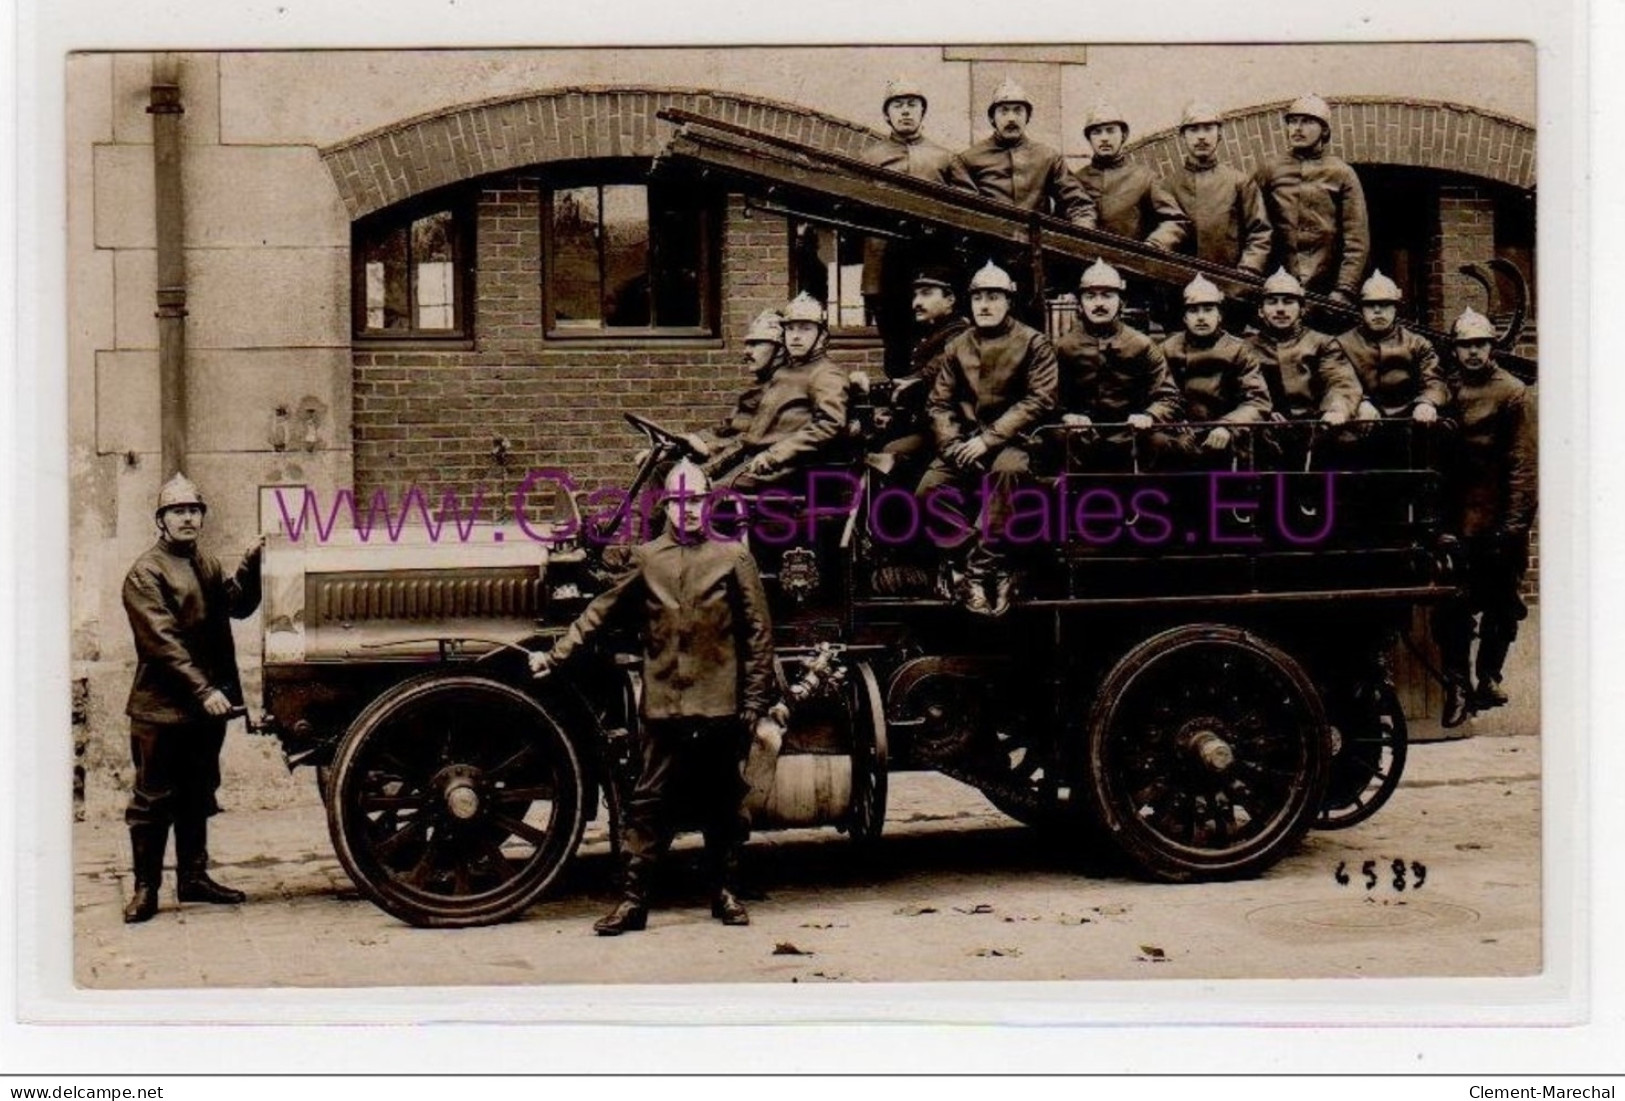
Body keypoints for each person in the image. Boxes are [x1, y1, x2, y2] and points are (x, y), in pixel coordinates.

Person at [531, 460, 779, 933]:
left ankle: (725, 894)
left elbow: (758, 636)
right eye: (679, 501)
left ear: (709, 502)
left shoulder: (733, 558)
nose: (688, 511)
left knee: (724, 803)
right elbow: (598, 613)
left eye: (697, 501)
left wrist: (752, 701)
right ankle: (634, 902)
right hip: (665, 706)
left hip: (720, 705)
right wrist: (554, 656)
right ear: (666, 505)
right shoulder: (646, 559)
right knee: (648, 805)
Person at [119, 473, 262, 924]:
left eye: (193, 511)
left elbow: (237, 606)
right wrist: (204, 690)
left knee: (198, 792)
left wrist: (252, 565)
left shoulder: (207, 563)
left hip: (205, 707)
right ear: (161, 521)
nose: (187, 518)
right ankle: (146, 889)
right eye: (177, 511)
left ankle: (194, 877)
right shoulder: (146, 572)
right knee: (152, 800)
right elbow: (162, 642)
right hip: (160, 708)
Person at [917, 260, 1058, 616]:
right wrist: (952, 446)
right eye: (978, 297)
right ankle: (979, 562)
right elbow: (938, 403)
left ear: (1009, 301)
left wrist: (990, 440)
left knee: (1006, 475)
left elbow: (1040, 400)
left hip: (1018, 441)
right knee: (929, 489)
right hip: (966, 441)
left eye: (994, 297)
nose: (985, 305)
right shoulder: (958, 346)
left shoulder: (1034, 343)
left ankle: (978, 573)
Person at [1431, 308, 1538, 727]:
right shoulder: (1445, 390)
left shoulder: (1512, 393)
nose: (1472, 352)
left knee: (1502, 606)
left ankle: (1489, 676)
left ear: (1491, 347)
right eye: (1465, 345)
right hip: (1457, 519)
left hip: (1497, 520)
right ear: (1455, 349)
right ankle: (1457, 684)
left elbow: (1523, 465)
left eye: (1479, 345)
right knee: (1452, 607)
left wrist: (1512, 527)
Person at [859, 78, 974, 377]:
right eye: (898, 106)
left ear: (922, 112)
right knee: (896, 338)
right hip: (887, 261)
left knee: (940, 334)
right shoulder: (870, 157)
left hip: (934, 257)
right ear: (887, 114)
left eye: (912, 105)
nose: (905, 112)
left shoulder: (944, 157)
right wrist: (870, 283)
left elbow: (970, 203)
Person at [702, 294, 849, 492]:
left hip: (789, 467)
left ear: (821, 335)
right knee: (688, 484)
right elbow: (752, 425)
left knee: (709, 498)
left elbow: (829, 424)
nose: (796, 336)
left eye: (805, 329)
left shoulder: (825, 373)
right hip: (755, 458)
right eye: (790, 329)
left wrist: (775, 454)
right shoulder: (784, 371)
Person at [1052, 259, 1185, 471]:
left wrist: (1149, 416)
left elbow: (1168, 396)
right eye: (1090, 296)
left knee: (1160, 443)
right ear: (1080, 303)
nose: (1099, 303)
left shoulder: (1142, 345)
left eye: (1107, 295)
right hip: (1081, 437)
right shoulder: (1064, 347)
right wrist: (1065, 415)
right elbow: (1047, 396)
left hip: (1131, 435)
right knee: (1058, 440)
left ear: (1121, 302)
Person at [1255, 94, 1370, 305]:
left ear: (1324, 129)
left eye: (1307, 121)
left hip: (1327, 291)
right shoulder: (1270, 170)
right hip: (1278, 288)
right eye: (1293, 121)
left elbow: (1356, 239)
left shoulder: (1342, 173)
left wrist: (1344, 289)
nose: (1297, 128)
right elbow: (1255, 228)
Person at [1246, 267, 1362, 468]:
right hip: (1265, 433)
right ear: (1260, 310)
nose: (1280, 309)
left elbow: (1340, 381)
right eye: (1272, 302)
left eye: (1289, 301)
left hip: (1313, 431)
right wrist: (1263, 412)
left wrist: (1336, 410)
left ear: (1302, 309)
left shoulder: (1322, 343)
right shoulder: (1245, 348)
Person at [866, 265, 974, 480]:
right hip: (925, 424)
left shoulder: (961, 334)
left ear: (950, 299)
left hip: (954, 431)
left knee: (890, 454)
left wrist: (916, 379)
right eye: (915, 295)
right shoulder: (931, 334)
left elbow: (943, 363)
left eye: (926, 294)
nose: (916, 303)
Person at [1159, 275, 1272, 463]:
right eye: (1194, 310)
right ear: (1185, 317)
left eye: (1208, 309)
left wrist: (1228, 427)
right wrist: (1173, 424)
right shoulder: (1167, 348)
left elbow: (1257, 401)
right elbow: (1159, 394)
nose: (1201, 317)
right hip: (1181, 435)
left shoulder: (1240, 350)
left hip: (1228, 436)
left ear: (1219, 315)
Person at [955, 78, 1096, 227]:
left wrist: (1081, 233)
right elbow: (964, 211)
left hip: (1037, 246)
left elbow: (1079, 205)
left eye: (1018, 111)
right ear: (992, 118)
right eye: (1004, 111)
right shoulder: (969, 159)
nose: (1011, 118)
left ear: (1027, 116)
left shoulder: (1048, 157)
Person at [1163, 101, 1272, 274]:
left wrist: (1247, 271)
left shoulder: (1240, 182)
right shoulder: (1167, 187)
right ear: (1182, 136)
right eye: (1193, 129)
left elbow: (1260, 232)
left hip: (1231, 286)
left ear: (1219, 133)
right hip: (1182, 290)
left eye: (1208, 128)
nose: (1201, 136)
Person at [1337, 269, 1449, 423]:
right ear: (1361, 310)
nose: (1377, 311)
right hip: (1360, 421)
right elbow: (1339, 382)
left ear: (1396, 308)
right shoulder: (1343, 343)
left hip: (1408, 421)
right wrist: (1359, 402)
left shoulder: (1417, 343)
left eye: (1385, 304)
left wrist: (1426, 402)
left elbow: (1435, 381)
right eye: (1370, 305)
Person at [1073, 103, 1188, 250]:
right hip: (1087, 266)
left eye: (1110, 131)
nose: (1104, 138)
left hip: (1131, 265)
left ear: (1123, 135)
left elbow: (1175, 220)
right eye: (1097, 132)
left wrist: (1154, 245)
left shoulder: (1145, 178)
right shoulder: (1077, 180)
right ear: (1089, 138)